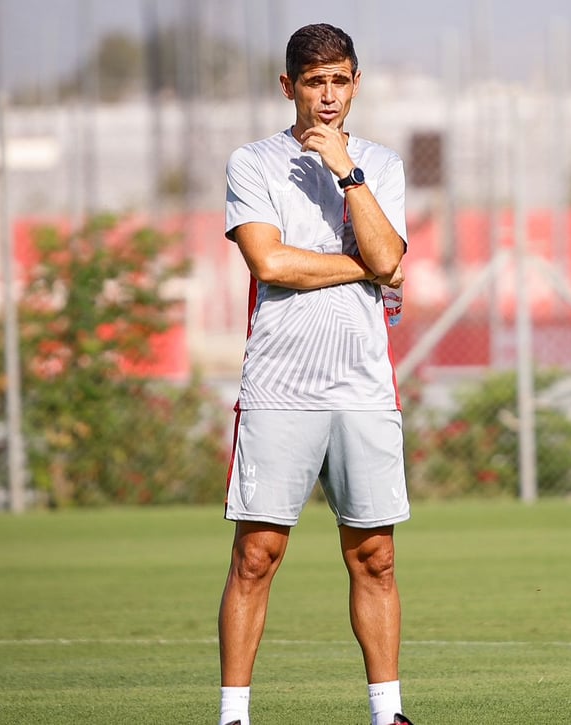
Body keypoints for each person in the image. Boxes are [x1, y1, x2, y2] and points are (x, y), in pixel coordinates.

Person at [216, 23, 414, 725]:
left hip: (363, 387)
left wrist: (347, 173)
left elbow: (391, 254)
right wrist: (364, 266)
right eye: (314, 82)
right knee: (257, 555)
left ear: (355, 83)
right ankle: (234, 714)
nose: (328, 97)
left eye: (340, 81)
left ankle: (387, 712)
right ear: (288, 86)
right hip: (280, 387)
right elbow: (271, 263)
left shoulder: (381, 165)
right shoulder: (254, 162)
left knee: (376, 558)